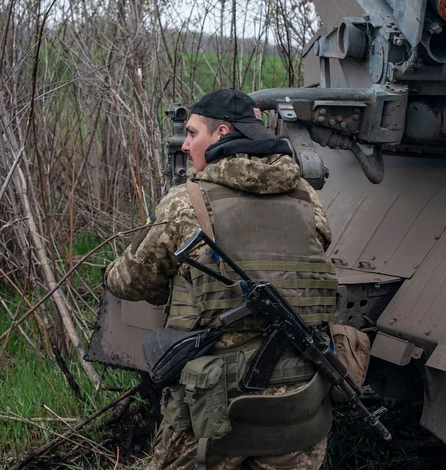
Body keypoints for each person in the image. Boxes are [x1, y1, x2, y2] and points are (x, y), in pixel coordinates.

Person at [104, 88, 337, 470]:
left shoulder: (186, 202)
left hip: (212, 409)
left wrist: (110, 271)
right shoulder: (306, 197)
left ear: (222, 133)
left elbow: (132, 282)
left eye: (193, 133)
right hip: (300, 404)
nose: (185, 145)